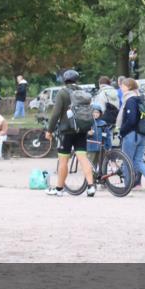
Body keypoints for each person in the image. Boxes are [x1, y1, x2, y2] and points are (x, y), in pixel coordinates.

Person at [45, 69, 96, 197]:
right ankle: (90, 187)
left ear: (64, 79)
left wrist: (49, 130)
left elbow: (56, 113)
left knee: (63, 161)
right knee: (83, 158)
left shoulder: (62, 93)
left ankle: (59, 189)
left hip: (66, 131)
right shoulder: (83, 92)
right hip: (81, 130)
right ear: (76, 80)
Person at [117, 78, 145, 194]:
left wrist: (122, 131)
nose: (121, 87)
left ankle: (127, 188)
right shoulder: (140, 99)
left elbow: (131, 120)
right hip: (142, 135)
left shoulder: (130, 100)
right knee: (138, 161)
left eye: (123, 85)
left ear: (129, 87)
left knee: (127, 161)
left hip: (131, 135)